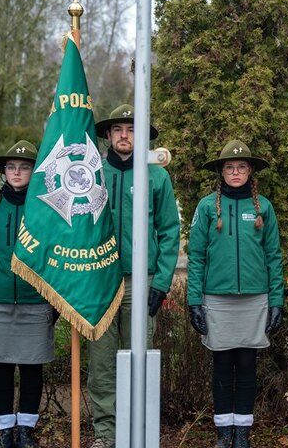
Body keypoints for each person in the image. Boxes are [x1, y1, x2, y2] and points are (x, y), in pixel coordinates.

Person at [89, 105, 180, 448]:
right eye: (118, 129)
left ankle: (137, 428)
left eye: (131, 129)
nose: (124, 135)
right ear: (108, 136)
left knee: (139, 357)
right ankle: (106, 432)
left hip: (140, 282)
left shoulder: (156, 177)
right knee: (101, 363)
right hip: (98, 281)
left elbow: (169, 231)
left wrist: (162, 282)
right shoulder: (92, 173)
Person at [186, 140, 283, 448]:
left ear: (250, 170)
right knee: (222, 366)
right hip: (217, 299)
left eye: (241, 166)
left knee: (247, 365)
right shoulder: (206, 207)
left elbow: (274, 257)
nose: (236, 172)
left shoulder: (263, 207)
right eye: (229, 167)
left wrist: (276, 301)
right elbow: (196, 256)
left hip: (255, 299)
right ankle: (223, 432)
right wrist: (194, 301)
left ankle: (242, 433)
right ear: (221, 172)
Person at [0, 140, 53, 448]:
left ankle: (26, 431)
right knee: (0, 367)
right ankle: (5, 431)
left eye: (24, 167)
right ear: (4, 172)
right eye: (11, 167)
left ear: (34, 172)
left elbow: (56, 254)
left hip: (35, 299)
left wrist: (55, 299)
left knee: (31, 368)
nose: (16, 172)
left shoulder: (45, 208)